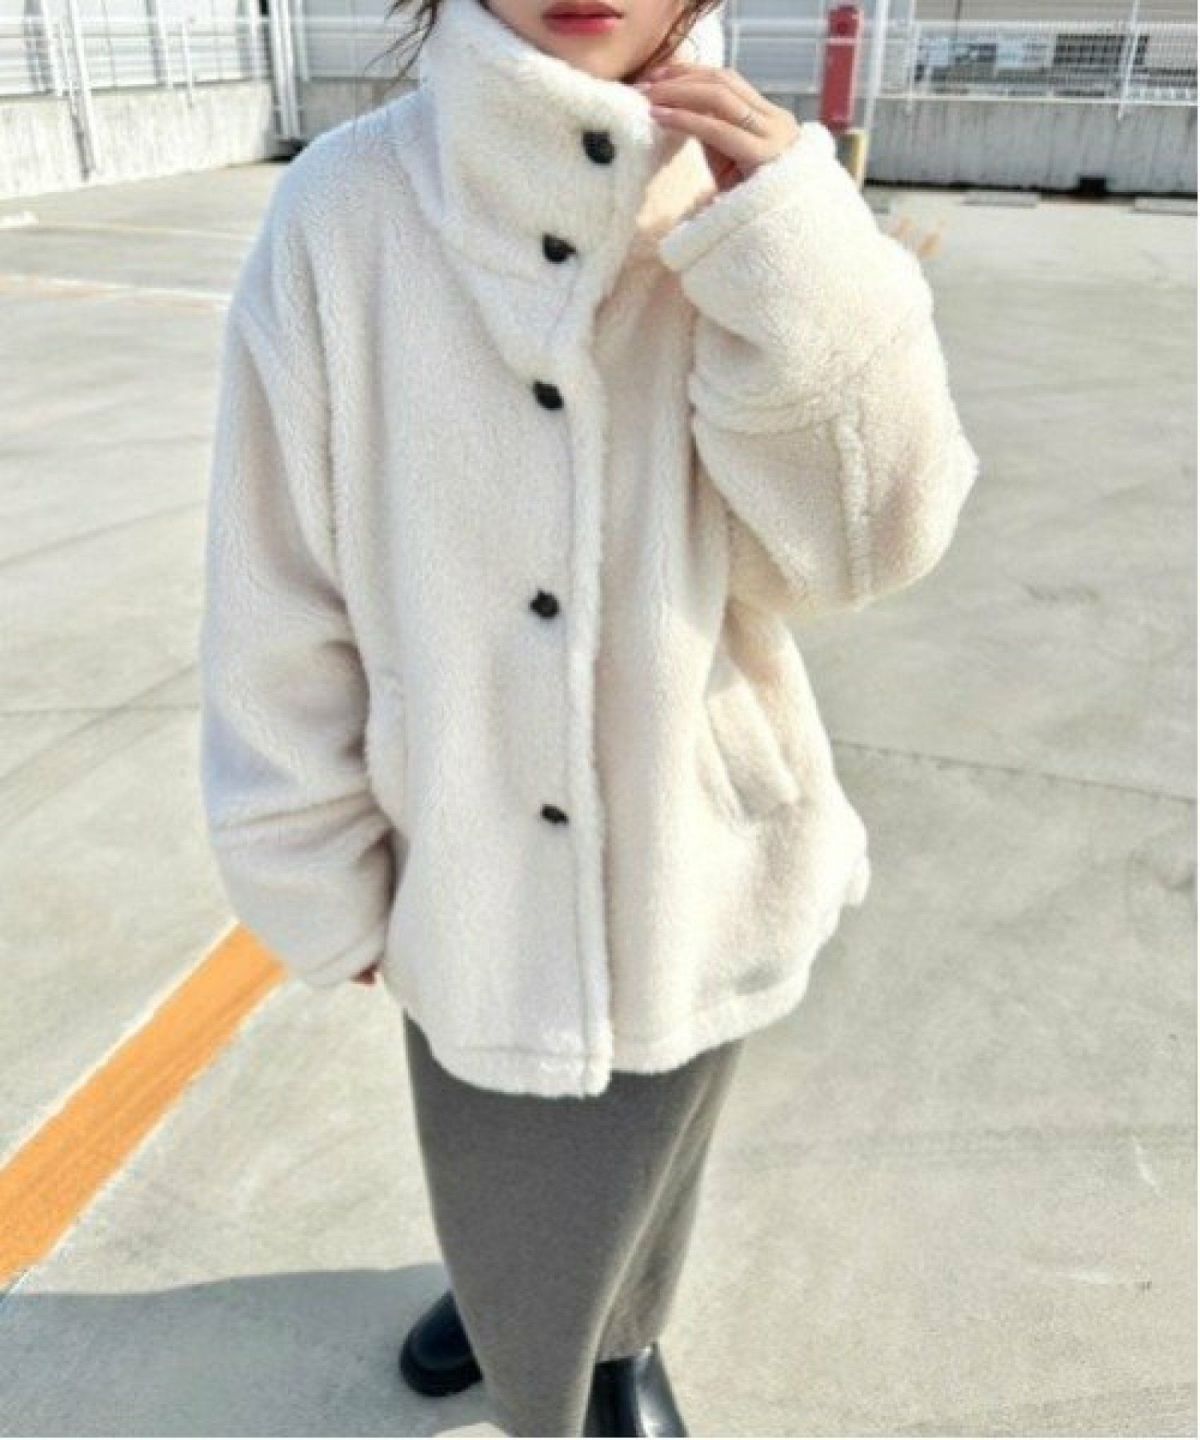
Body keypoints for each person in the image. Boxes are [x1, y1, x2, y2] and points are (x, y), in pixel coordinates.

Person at [197, 0, 980, 1431]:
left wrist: (792, 254)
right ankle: (540, 1330)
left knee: (656, 1141)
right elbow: (278, 578)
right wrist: (311, 857)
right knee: (502, 1161)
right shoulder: (349, 208)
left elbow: (858, 552)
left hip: (702, 829)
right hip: (469, 845)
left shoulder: (748, 193)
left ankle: (613, 1332)